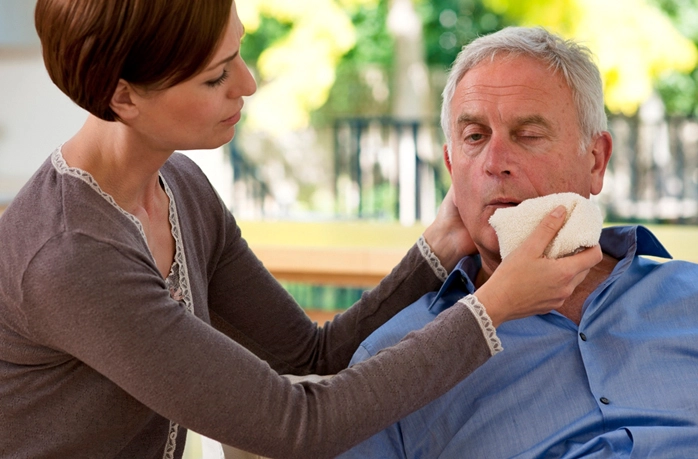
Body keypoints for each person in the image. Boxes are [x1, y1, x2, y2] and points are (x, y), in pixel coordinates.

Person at [0, 3, 602, 458]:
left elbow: (311, 355)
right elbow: (299, 425)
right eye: (216, 78)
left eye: (237, 52)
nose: (248, 84)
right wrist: (492, 308)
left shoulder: (177, 185)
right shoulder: (72, 258)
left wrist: (439, 248)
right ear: (122, 97)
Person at [339, 26, 698, 458]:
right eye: (475, 136)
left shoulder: (688, 296)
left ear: (596, 161)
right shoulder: (389, 362)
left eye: (528, 135)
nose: (495, 163)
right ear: (452, 168)